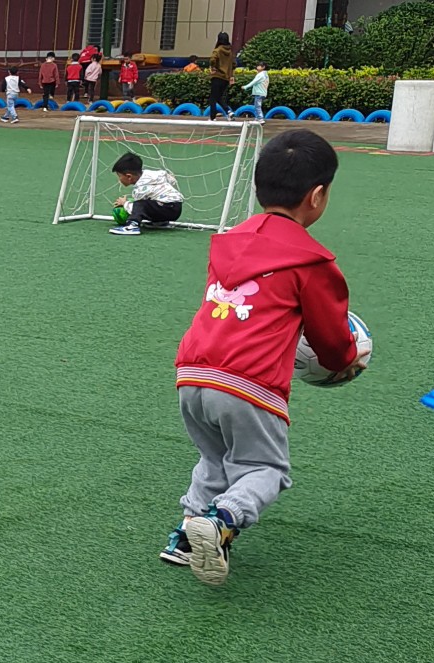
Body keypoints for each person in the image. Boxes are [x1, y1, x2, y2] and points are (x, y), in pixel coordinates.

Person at [162, 130, 358, 585]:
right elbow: (331, 342)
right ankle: (221, 520)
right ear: (317, 195)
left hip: (192, 372)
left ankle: (186, 537)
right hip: (249, 382)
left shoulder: (227, 241)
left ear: (256, 187)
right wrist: (346, 360)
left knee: (215, 458)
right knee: (264, 468)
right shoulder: (312, 263)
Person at [109, 152, 183, 234]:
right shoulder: (150, 174)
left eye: (119, 176)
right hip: (176, 207)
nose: (119, 180)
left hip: (168, 208)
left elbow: (137, 208)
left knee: (140, 204)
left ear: (129, 176)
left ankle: (132, 226)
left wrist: (125, 203)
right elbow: (168, 178)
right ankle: (160, 222)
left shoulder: (140, 189)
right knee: (150, 203)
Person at [207, 33, 234, 119]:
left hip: (217, 76)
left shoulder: (217, 50)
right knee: (218, 97)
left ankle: (212, 117)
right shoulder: (230, 52)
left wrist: (213, 67)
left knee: (213, 98)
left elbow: (212, 60)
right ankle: (228, 111)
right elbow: (233, 64)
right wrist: (231, 76)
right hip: (226, 78)